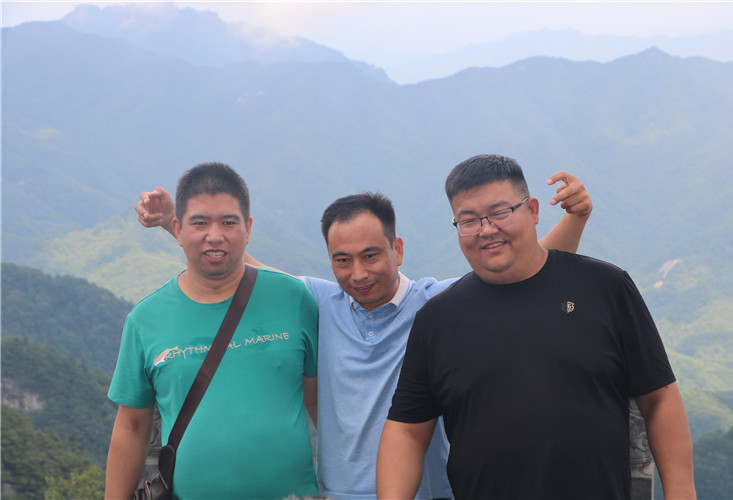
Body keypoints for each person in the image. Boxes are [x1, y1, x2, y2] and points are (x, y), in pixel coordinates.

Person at [134, 171, 592, 499]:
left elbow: (520, 269)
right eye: (342, 260)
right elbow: (244, 267)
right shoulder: (318, 303)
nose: (358, 273)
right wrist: (175, 222)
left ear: (398, 249)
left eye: (371, 256)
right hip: (338, 492)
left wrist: (575, 218)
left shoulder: (436, 304)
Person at [376, 154, 696, 500]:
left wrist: (681, 492)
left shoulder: (605, 287)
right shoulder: (438, 319)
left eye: (500, 212)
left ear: (532, 211)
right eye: (468, 220)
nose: (486, 229)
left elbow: (659, 397)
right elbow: (407, 430)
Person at [106, 163, 319, 499]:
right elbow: (132, 426)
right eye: (200, 223)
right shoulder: (146, 319)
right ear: (177, 229)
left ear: (248, 229)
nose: (215, 235)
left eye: (229, 222)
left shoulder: (293, 299)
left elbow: (320, 403)